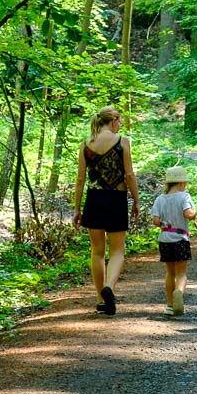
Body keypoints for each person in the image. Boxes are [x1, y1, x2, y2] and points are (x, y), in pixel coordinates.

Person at [73, 106, 140, 316]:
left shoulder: (86, 144)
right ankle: (109, 286)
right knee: (117, 250)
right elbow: (129, 175)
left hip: (94, 200)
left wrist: (77, 208)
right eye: (119, 121)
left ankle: (101, 299)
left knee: (97, 251)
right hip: (116, 199)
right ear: (113, 121)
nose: (120, 125)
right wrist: (136, 200)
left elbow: (80, 179)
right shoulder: (122, 142)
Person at [150, 165, 196, 315]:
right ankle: (179, 292)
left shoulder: (160, 199)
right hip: (180, 238)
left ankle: (169, 305)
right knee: (181, 273)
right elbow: (188, 214)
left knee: (170, 272)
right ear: (182, 183)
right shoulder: (184, 196)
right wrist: (194, 214)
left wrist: (163, 222)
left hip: (165, 239)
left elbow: (155, 221)